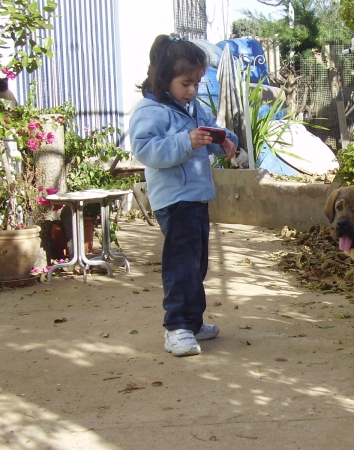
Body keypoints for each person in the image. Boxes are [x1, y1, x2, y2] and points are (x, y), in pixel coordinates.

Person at [129, 34, 238, 357]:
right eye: (186, 83)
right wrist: (186, 142)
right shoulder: (150, 112)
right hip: (174, 200)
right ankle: (176, 327)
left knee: (197, 263)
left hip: (196, 198)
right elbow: (147, 150)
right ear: (164, 78)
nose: (192, 90)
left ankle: (192, 321)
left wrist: (225, 141)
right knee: (181, 265)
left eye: (196, 83)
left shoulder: (192, 109)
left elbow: (211, 132)